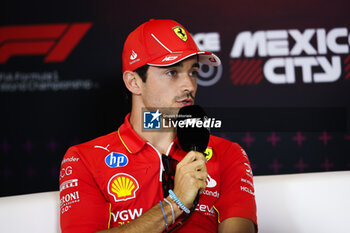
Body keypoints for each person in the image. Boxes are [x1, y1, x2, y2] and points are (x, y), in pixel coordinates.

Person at [59, 19, 257, 233]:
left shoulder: (227, 154)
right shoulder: (85, 159)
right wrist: (175, 203)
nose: (189, 86)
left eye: (193, 72)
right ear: (133, 82)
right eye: (172, 72)